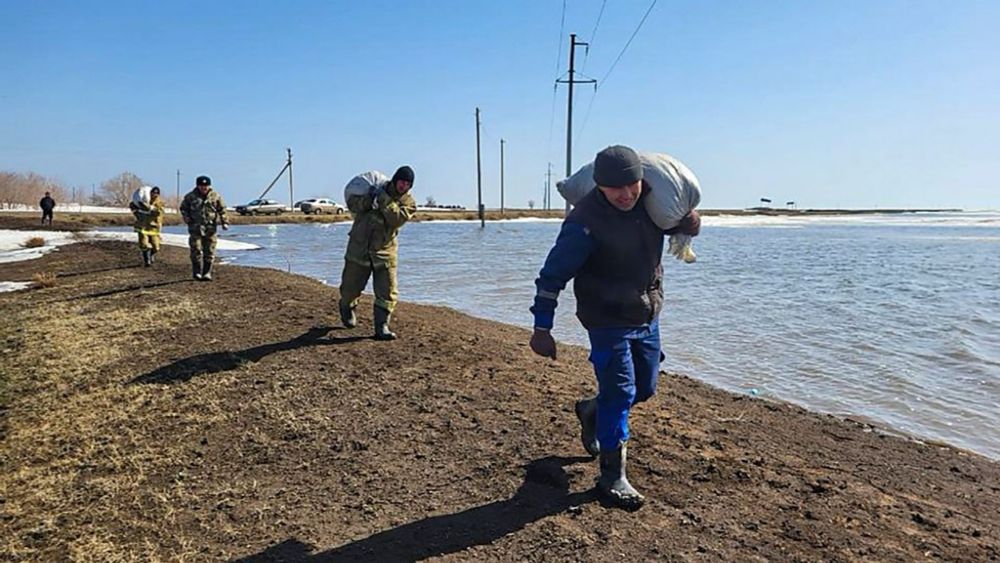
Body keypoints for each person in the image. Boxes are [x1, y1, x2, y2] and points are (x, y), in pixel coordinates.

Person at [528, 145, 701, 510]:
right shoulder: (584, 223)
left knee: (645, 388)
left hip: (646, 314)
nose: (626, 195)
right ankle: (611, 476)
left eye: (632, 185)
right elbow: (552, 275)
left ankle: (592, 409)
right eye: (615, 188)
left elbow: (679, 223)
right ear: (599, 186)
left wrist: (690, 223)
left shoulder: (652, 204)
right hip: (606, 318)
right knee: (621, 392)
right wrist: (541, 327)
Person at [338, 166, 417, 340]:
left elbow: (396, 219)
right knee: (350, 288)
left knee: (387, 292)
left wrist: (382, 198)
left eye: (408, 184)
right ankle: (346, 307)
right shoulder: (371, 189)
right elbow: (354, 205)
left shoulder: (409, 203)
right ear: (395, 180)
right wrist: (369, 199)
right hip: (358, 249)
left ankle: (382, 326)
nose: (404, 186)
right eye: (402, 182)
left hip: (385, 253)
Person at [179, 175, 228, 281]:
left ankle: (206, 273)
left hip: (210, 229)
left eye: (206, 186)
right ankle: (196, 272)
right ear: (198, 186)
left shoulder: (215, 196)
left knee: (209, 251)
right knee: (196, 249)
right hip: (195, 228)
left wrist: (224, 222)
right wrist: (186, 218)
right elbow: (183, 208)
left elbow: (222, 209)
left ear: (209, 186)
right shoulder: (190, 196)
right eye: (201, 186)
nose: (204, 188)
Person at [129, 186, 165, 267]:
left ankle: (151, 254)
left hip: (154, 228)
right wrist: (137, 210)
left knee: (156, 247)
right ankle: (147, 260)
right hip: (142, 227)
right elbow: (132, 205)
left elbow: (158, 212)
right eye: (153, 193)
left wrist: (148, 208)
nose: (154, 195)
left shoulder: (159, 203)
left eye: (156, 193)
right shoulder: (141, 200)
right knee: (144, 244)